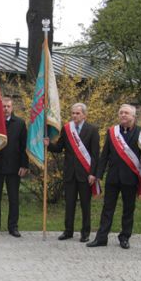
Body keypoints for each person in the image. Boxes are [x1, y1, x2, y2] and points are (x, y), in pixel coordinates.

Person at [88, 104, 141, 249]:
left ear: (133, 116)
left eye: (126, 113)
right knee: (107, 208)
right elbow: (105, 155)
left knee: (128, 209)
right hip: (113, 177)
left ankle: (124, 237)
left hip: (130, 178)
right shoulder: (112, 132)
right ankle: (101, 238)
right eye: (121, 112)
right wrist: (99, 173)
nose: (123, 115)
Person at [46, 102, 100, 242]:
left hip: (85, 174)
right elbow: (59, 147)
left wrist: (93, 174)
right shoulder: (67, 129)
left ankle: (85, 232)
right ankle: (68, 231)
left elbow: (95, 155)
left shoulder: (92, 130)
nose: (74, 116)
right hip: (70, 173)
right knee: (69, 204)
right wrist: (48, 145)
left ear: (84, 115)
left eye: (77, 113)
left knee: (85, 205)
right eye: (73, 113)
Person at [0, 96, 28, 237]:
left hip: (14, 167)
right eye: (3, 106)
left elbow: (24, 146)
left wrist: (24, 165)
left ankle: (13, 227)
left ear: (12, 108)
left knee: (13, 198)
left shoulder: (20, 123)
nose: (5, 109)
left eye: (8, 106)